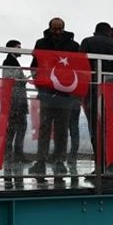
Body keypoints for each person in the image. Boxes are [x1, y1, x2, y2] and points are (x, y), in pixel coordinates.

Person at [27, 17, 80, 177]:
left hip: (65, 93)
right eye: (54, 29)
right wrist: (39, 83)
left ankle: (59, 160)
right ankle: (41, 161)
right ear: (49, 28)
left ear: (63, 29)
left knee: (62, 129)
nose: (57, 32)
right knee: (44, 128)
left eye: (59, 29)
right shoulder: (41, 43)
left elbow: (78, 68)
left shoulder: (73, 46)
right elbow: (34, 65)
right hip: (47, 92)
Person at [78, 22, 113, 170]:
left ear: (96, 31)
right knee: (112, 129)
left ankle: (100, 165)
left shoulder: (88, 42)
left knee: (96, 129)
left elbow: (81, 66)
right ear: (110, 32)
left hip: (93, 91)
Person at [2, 40, 30, 166]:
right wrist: (23, 80)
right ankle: (16, 154)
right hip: (16, 100)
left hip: (15, 99)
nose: (20, 50)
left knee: (13, 128)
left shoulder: (10, 61)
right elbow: (11, 80)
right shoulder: (10, 62)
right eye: (18, 47)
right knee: (18, 127)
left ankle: (11, 154)